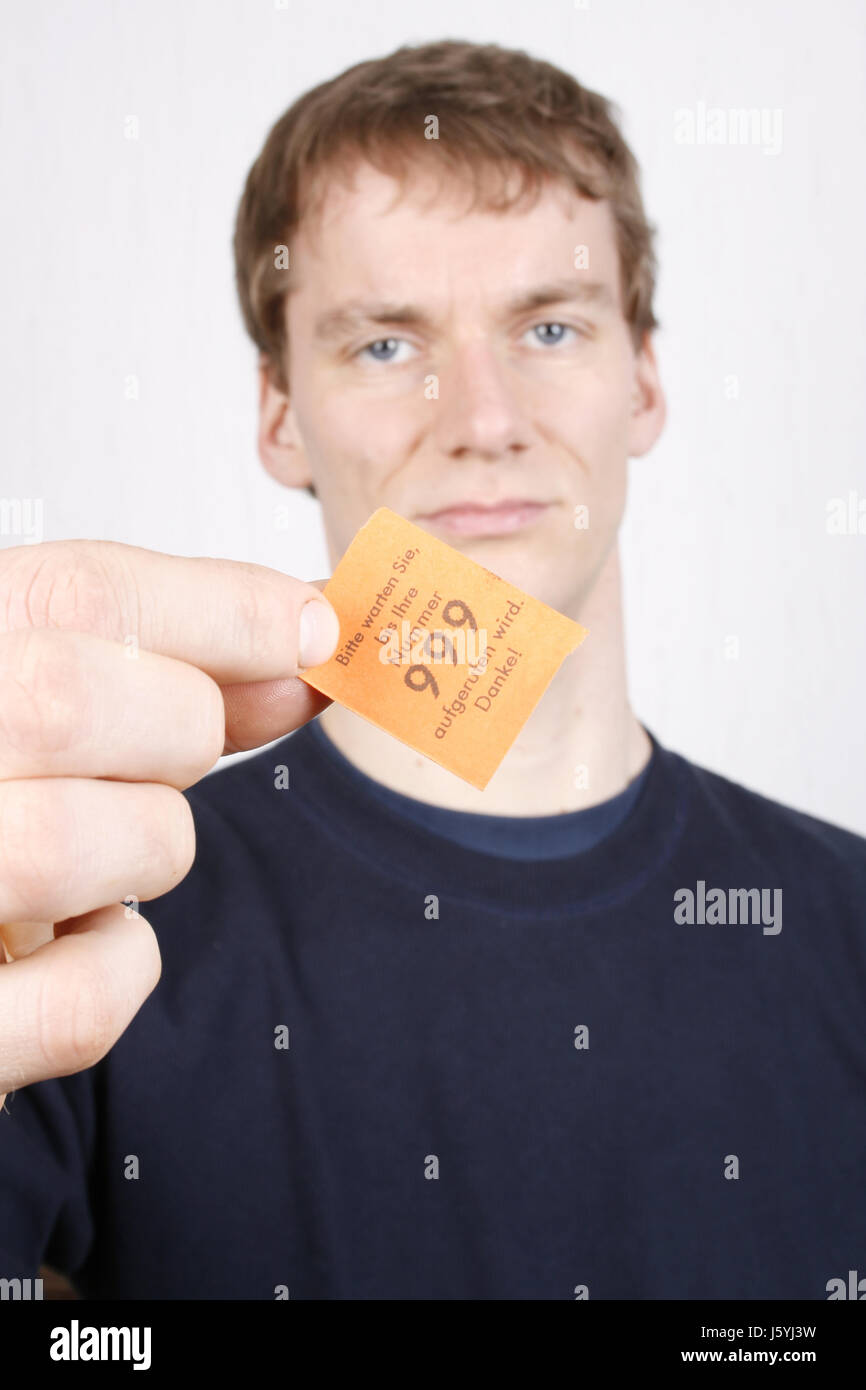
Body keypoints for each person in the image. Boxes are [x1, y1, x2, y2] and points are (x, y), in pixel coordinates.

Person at [0, 39, 863, 1301]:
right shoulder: (81, 915)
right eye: (386, 346)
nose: (481, 416)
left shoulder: (845, 922)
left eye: (549, 326)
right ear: (280, 412)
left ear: (643, 379)